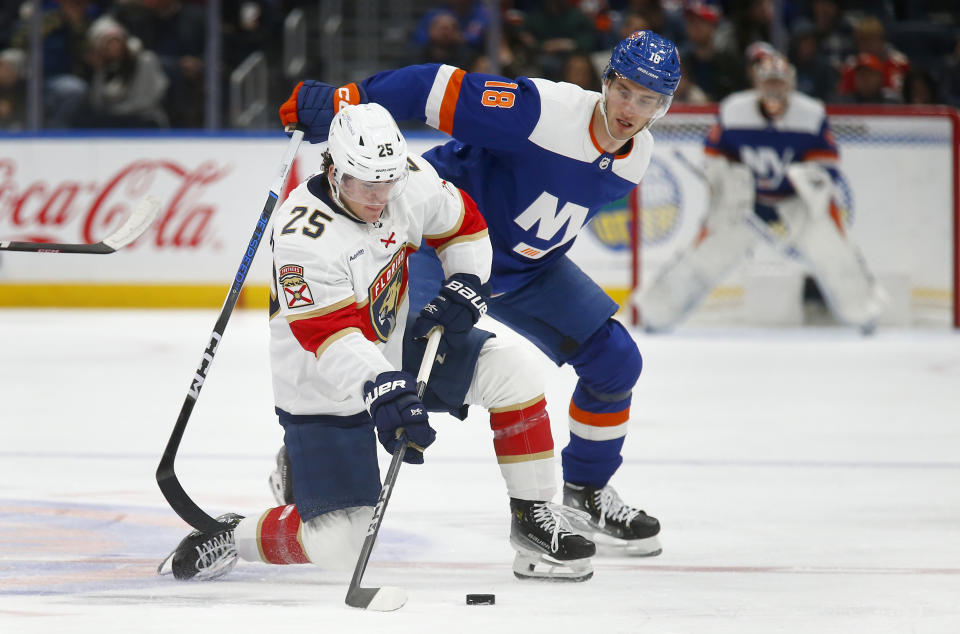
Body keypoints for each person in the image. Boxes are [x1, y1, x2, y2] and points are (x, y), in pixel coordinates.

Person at [277, 30, 680, 557]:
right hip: (443, 243)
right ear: (606, 82)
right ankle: (307, 454)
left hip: (528, 271)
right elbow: (435, 87)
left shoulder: (638, 154)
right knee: (403, 356)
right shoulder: (542, 111)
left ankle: (586, 492)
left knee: (616, 361)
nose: (630, 109)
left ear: (664, 107)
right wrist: (343, 101)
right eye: (624, 90)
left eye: (647, 100)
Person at [160, 103, 596, 583]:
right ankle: (232, 531)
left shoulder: (404, 178)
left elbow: (463, 223)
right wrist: (384, 387)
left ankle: (532, 520)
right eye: (366, 184)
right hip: (324, 380)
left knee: (513, 371)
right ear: (333, 170)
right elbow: (327, 334)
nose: (380, 197)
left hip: (392, 343)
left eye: (387, 182)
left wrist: (466, 280)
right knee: (340, 543)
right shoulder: (301, 237)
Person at [633, 53, 886, 333]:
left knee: (833, 252)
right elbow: (714, 159)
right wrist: (737, 191)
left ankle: (864, 313)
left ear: (791, 83)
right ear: (757, 83)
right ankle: (656, 313)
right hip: (745, 205)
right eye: (768, 82)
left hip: (796, 205)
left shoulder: (810, 115)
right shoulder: (734, 111)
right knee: (705, 255)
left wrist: (798, 186)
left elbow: (826, 169)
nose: (774, 90)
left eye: (780, 83)